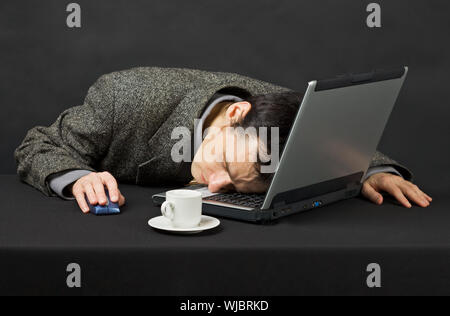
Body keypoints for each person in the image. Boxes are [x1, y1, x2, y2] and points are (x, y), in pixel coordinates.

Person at [15, 67, 432, 213]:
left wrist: (367, 167)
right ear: (235, 114)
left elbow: (320, 128)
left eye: (236, 188)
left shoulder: (267, 107)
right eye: (228, 168)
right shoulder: (120, 99)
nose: (214, 188)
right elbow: (36, 145)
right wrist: (75, 176)